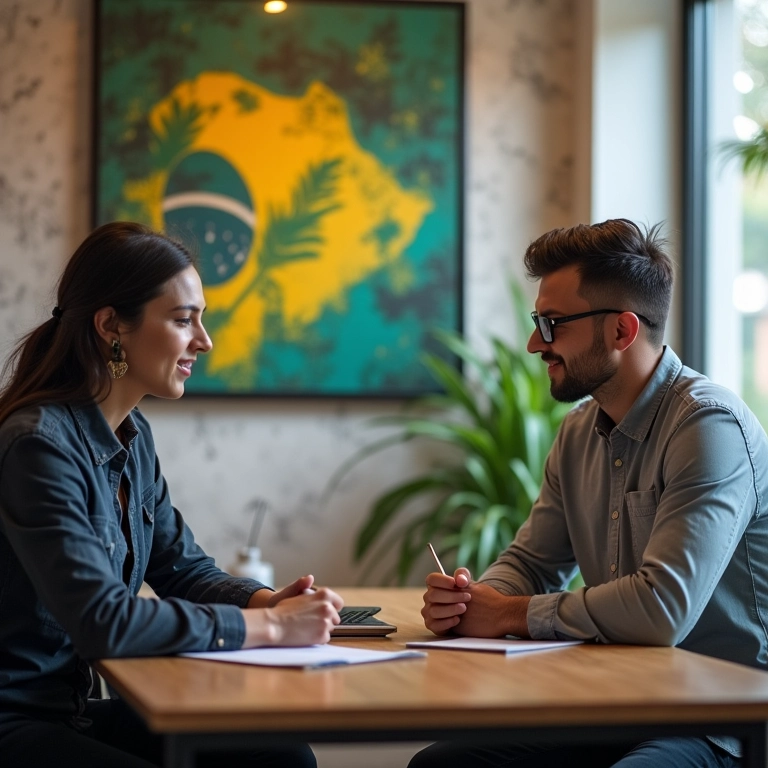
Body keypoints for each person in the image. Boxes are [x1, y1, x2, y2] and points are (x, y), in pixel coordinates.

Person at [411, 219, 768, 768]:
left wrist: (508, 613)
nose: (535, 344)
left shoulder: (709, 427)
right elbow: (531, 562)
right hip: (619, 703)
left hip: (721, 720)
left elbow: (661, 608)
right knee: (443, 765)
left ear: (622, 331)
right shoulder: (580, 430)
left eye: (551, 325)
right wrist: (471, 601)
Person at [0, 221, 344, 768]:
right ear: (111, 325)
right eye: (184, 319)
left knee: (279, 756)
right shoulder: (37, 445)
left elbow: (182, 570)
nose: (204, 340)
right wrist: (273, 628)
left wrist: (266, 601)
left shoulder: (132, 437)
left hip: (72, 709)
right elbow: (104, 622)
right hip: (15, 720)